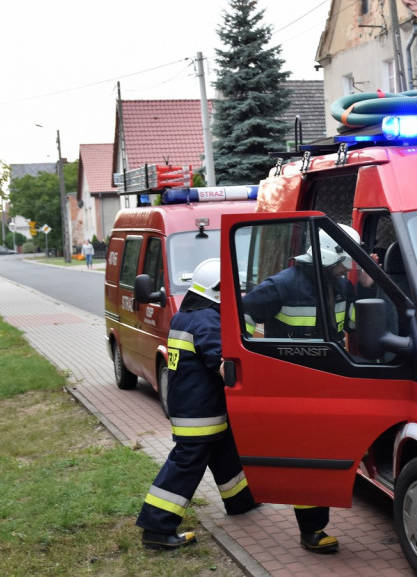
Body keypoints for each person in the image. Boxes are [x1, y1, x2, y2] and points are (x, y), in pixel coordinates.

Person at [240, 224, 376, 554]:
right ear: (328, 257)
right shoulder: (282, 285)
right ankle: (312, 530)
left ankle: (316, 519)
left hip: (331, 380)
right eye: (343, 264)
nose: (346, 270)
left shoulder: (342, 286)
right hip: (294, 383)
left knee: (325, 453)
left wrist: (366, 289)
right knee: (306, 456)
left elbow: (355, 324)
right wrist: (254, 355)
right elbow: (242, 314)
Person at [136, 258, 259, 550]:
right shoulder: (207, 320)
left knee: (225, 452)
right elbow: (222, 362)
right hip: (200, 412)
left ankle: (240, 501)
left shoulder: (186, 315)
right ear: (217, 289)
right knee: (186, 465)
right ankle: (157, 527)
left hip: (193, 406)